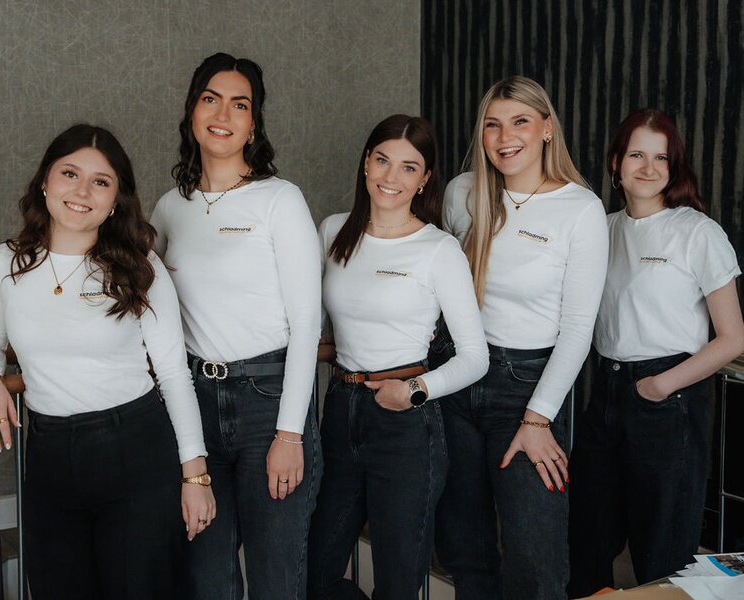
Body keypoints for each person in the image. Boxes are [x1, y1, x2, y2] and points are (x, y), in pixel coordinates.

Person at [0, 124, 213, 599]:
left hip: (136, 450)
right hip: (51, 456)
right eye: (70, 173)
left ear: (116, 198)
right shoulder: (6, 263)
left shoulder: (141, 266)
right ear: (45, 181)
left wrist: (195, 475)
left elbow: (175, 374)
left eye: (101, 181)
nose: (82, 191)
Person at [150, 52, 322, 600]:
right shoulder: (169, 208)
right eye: (211, 98)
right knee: (206, 578)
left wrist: (290, 433)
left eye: (239, 104)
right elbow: (135, 298)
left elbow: (307, 323)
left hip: (268, 403)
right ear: (192, 111)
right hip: (194, 403)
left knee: (276, 578)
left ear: (253, 123)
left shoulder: (279, 199)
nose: (223, 113)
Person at [435, 76, 609, 599]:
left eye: (520, 122)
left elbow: (579, 327)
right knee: (465, 548)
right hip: (458, 377)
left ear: (547, 129)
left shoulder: (581, 209)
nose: (505, 136)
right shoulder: (463, 193)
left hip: (528, 387)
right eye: (493, 124)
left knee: (535, 556)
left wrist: (539, 419)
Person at [307, 115, 488, 599]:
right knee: (313, 571)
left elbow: (475, 356)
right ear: (366, 163)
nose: (391, 177)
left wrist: (412, 392)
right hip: (340, 412)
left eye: (409, 167)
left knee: (398, 580)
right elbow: (341, 330)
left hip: (405, 423)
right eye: (383, 160)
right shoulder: (332, 232)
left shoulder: (438, 249)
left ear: (425, 179)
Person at [567, 109, 744, 596]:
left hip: (669, 396)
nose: (649, 167)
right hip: (604, 392)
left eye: (661, 157)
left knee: (661, 551)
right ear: (615, 163)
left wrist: (661, 385)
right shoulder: (599, 229)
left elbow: (732, 338)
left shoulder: (696, 232)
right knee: (585, 540)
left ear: (675, 166)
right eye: (637, 155)